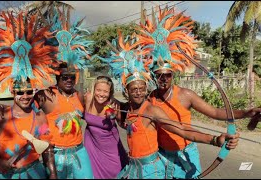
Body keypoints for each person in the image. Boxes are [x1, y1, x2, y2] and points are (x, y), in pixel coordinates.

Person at [131, 5, 259, 179]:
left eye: (167, 75)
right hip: (162, 156)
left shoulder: (185, 95)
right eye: (159, 76)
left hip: (186, 153)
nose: (164, 79)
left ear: (173, 75)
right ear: (154, 76)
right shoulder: (151, 98)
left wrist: (245, 113)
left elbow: (215, 112)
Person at [100, 30, 240, 179]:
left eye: (142, 89)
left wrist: (215, 140)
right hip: (134, 169)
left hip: (152, 171)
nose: (138, 93)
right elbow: (130, 127)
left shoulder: (152, 110)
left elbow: (182, 131)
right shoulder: (128, 110)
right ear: (126, 91)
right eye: (134, 89)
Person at [0, 6, 95, 179]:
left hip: (79, 152)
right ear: (56, 77)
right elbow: (23, 103)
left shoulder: (79, 95)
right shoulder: (45, 95)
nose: (68, 79)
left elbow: (94, 117)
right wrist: (0, 106)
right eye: (64, 77)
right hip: (57, 155)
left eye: (71, 76)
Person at [0, 10, 59, 179]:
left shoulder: (40, 115)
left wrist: (52, 173)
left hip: (35, 172)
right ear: (13, 92)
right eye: (20, 92)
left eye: (29, 91)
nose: (25, 96)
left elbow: (46, 146)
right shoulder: (0, 114)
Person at [83, 75, 129, 179]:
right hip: (92, 149)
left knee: (117, 173)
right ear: (94, 89)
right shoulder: (88, 98)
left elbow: (124, 124)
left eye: (105, 91)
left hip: (111, 150)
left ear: (110, 93)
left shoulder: (114, 104)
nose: (101, 94)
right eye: (98, 90)